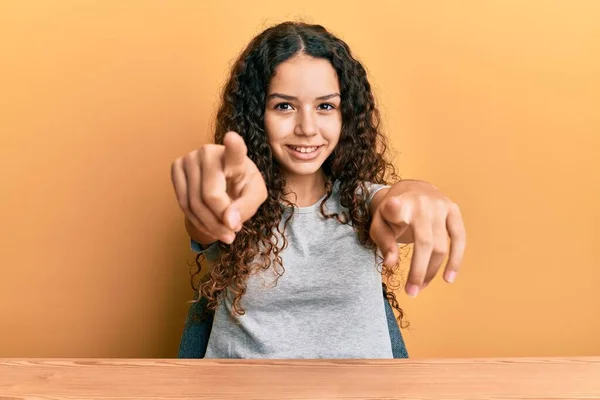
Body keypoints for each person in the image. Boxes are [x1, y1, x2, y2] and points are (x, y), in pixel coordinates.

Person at [170, 21, 466, 359]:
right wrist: (211, 192)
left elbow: (397, 206)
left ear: (346, 116)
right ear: (256, 115)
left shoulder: (364, 204)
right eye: (284, 106)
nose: (307, 128)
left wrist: (419, 193)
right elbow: (206, 220)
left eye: (325, 106)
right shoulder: (233, 199)